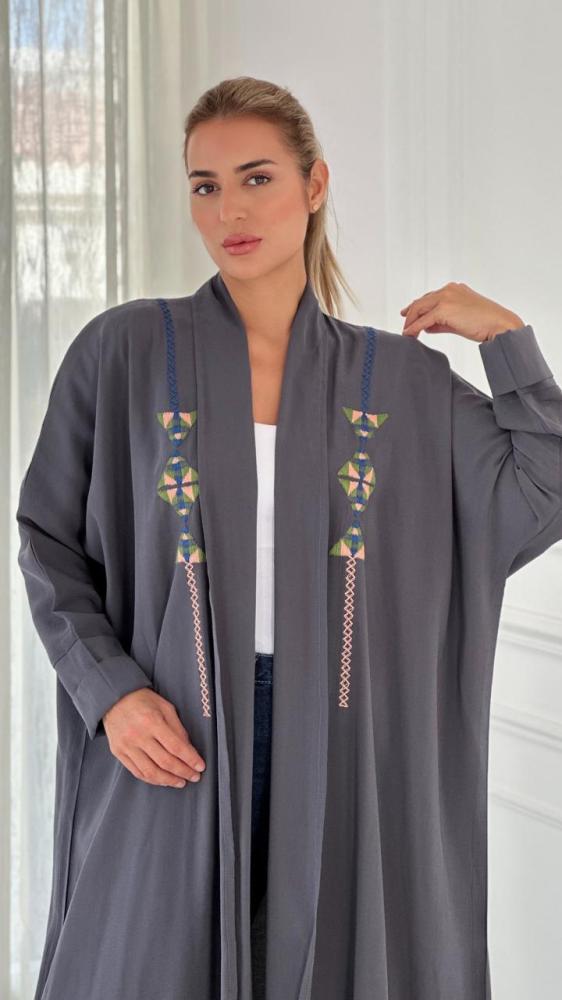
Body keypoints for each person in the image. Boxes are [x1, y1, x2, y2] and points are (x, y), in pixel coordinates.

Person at [16, 75, 562, 1000]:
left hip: (340, 737)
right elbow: (48, 539)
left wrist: (506, 339)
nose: (228, 210)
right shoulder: (125, 351)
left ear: (314, 186)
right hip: (174, 729)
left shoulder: (399, 384)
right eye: (205, 185)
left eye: (257, 178)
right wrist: (112, 694)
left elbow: (545, 486)